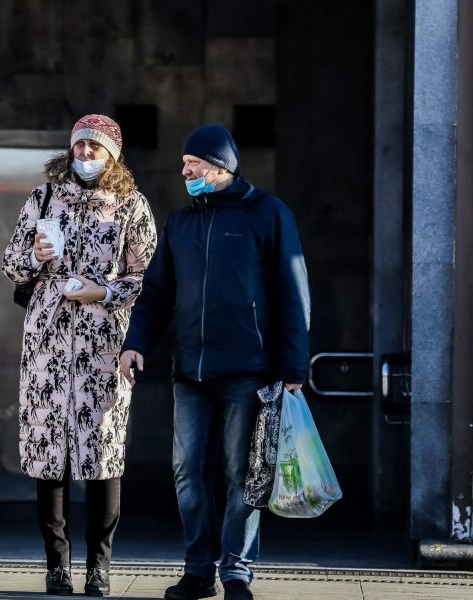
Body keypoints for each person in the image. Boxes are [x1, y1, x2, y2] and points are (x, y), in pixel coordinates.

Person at [120, 124, 310, 600]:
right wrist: (135, 341)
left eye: (193, 164)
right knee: (186, 470)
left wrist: (294, 368)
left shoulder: (268, 214)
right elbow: (156, 293)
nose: (184, 171)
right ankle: (198, 570)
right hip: (190, 371)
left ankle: (238, 573)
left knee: (242, 472)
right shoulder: (182, 223)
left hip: (249, 370)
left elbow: (293, 291)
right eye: (185, 164)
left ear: (221, 166)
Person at [2, 114, 158, 597]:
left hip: (102, 346)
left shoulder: (131, 205)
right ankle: (56, 565)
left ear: (112, 154)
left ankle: (99, 566)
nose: (86, 155)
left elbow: (147, 277)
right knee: (50, 456)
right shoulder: (43, 198)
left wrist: (102, 291)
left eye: (95, 148)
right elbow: (10, 264)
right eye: (80, 147)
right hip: (47, 346)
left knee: (102, 453)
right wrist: (36, 257)